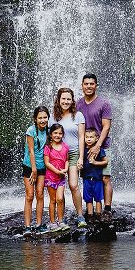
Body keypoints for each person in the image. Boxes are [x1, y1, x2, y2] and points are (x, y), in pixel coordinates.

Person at [49, 87, 87, 230]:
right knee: (60, 187)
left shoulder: (78, 116)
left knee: (73, 185)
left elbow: (82, 137)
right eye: (63, 99)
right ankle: (61, 217)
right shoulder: (52, 117)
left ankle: (80, 215)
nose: (65, 101)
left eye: (68, 99)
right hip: (57, 156)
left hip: (73, 154)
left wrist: (81, 158)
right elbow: (49, 136)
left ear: (72, 101)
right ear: (58, 100)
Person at [77, 73, 113, 215]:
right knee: (88, 178)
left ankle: (108, 208)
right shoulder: (78, 104)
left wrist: (98, 145)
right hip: (84, 148)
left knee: (105, 177)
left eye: (92, 84)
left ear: (96, 86)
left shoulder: (104, 103)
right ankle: (90, 209)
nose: (89, 86)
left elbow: (106, 126)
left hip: (103, 146)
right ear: (82, 86)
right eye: (86, 84)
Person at [22, 105, 49, 236]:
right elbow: (31, 150)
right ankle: (27, 226)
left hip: (42, 166)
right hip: (29, 166)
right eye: (40, 118)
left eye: (45, 117)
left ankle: (38, 224)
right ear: (35, 119)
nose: (43, 120)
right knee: (29, 195)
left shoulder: (49, 130)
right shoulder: (31, 130)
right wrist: (33, 169)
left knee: (40, 194)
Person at [43, 122, 70, 231]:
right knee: (53, 200)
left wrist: (66, 169)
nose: (57, 135)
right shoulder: (47, 147)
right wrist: (56, 171)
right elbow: (47, 163)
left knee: (60, 198)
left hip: (61, 178)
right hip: (50, 177)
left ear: (63, 135)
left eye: (60, 133)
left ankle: (61, 221)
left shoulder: (65, 147)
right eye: (55, 133)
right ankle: (53, 222)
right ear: (51, 134)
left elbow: (67, 160)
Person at [79, 128, 107, 219]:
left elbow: (105, 162)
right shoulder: (82, 150)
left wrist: (95, 163)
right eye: (87, 137)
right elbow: (80, 162)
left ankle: (98, 215)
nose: (89, 139)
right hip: (86, 179)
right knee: (88, 199)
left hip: (97, 178)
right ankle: (90, 216)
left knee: (98, 199)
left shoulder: (99, 150)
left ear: (97, 138)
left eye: (91, 137)